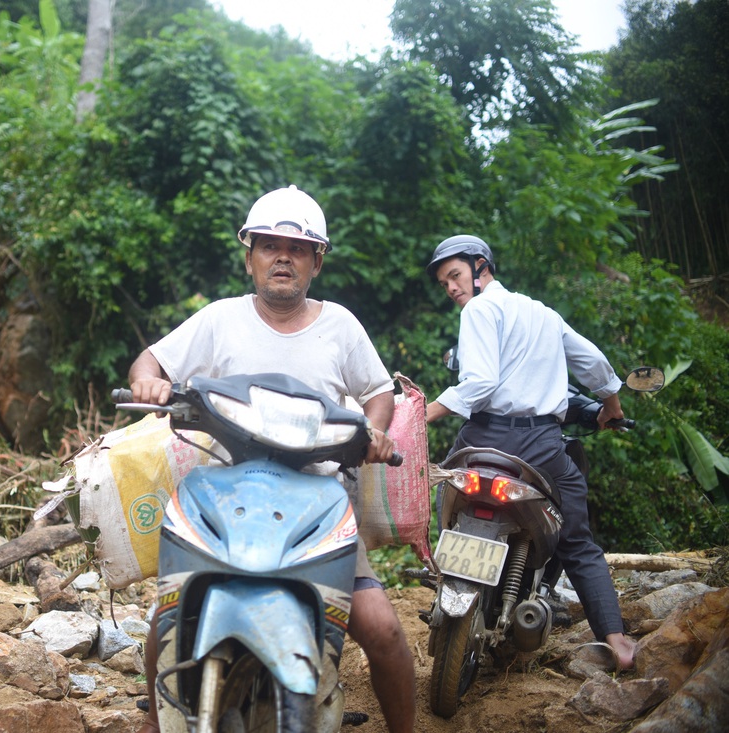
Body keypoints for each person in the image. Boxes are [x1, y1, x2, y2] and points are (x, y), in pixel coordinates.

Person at [129, 185, 416, 733]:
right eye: (269, 246)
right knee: (167, 620)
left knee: (384, 633)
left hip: (318, 504)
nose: (282, 257)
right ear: (250, 257)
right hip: (227, 495)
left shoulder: (342, 326)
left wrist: (375, 431)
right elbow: (152, 360)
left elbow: (378, 391)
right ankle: (158, 722)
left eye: (298, 247)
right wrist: (148, 382)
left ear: (316, 262)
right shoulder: (219, 319)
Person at [423, 233, 637, 671]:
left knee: (446, 494)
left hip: (478, 443)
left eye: (455, 276)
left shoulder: (480, 310)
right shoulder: (543, 314)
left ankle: (443, 578)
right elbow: (593, 363)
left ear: (481, 266)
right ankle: (617, 641)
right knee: (576, 540)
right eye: (445, 282)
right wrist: (610, 408)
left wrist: (421, 415)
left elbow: (478, 382)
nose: (450, 288)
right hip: (539, 448)